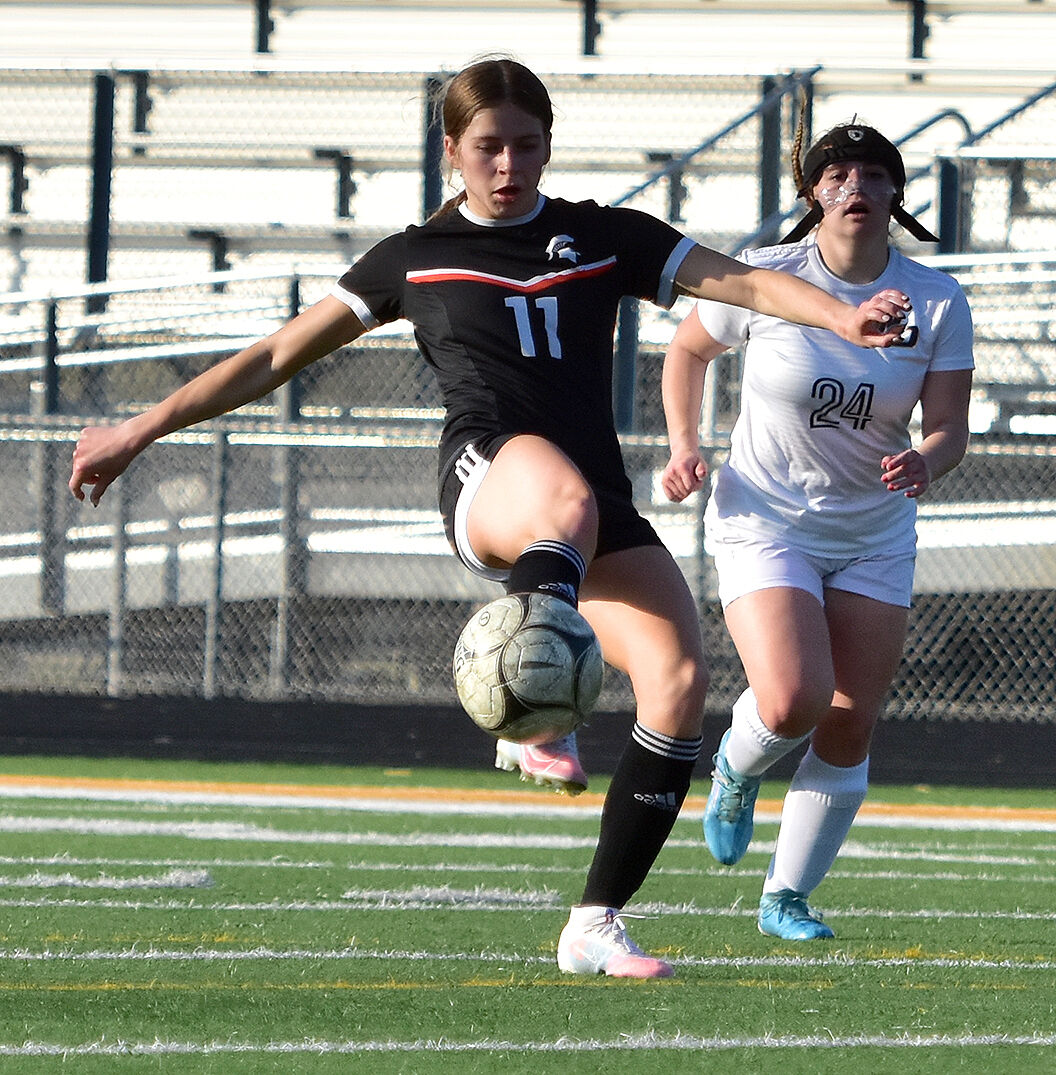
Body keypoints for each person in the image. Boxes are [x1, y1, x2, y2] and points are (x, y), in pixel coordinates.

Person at [68, 61, 910, 977]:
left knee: (677, 678)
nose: (508, 163)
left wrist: (843, 315)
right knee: (566, 497)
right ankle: (528, 709)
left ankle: (594, 921)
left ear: (549, 145)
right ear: (452, 151)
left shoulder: (603, 235)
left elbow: (740, 284)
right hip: (489, 479)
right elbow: (275, 353)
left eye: (526, 144)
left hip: (585, 508)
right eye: (488, 146)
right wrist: (140, 426)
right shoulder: (411, 256)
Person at [661, 121, 973, 941]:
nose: (858, 187)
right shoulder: (767, 278)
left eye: (876, 174)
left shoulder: (937, 300)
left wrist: (926, 464)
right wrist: (685, 446)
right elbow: (686, 353)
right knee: (794, 698)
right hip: (767, 518)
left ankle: (786, 896)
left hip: (874, 529)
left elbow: (949, 427)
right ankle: (735, 765)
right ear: (814, 194)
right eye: (840, 173)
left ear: (897, 194)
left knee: (849, 717)